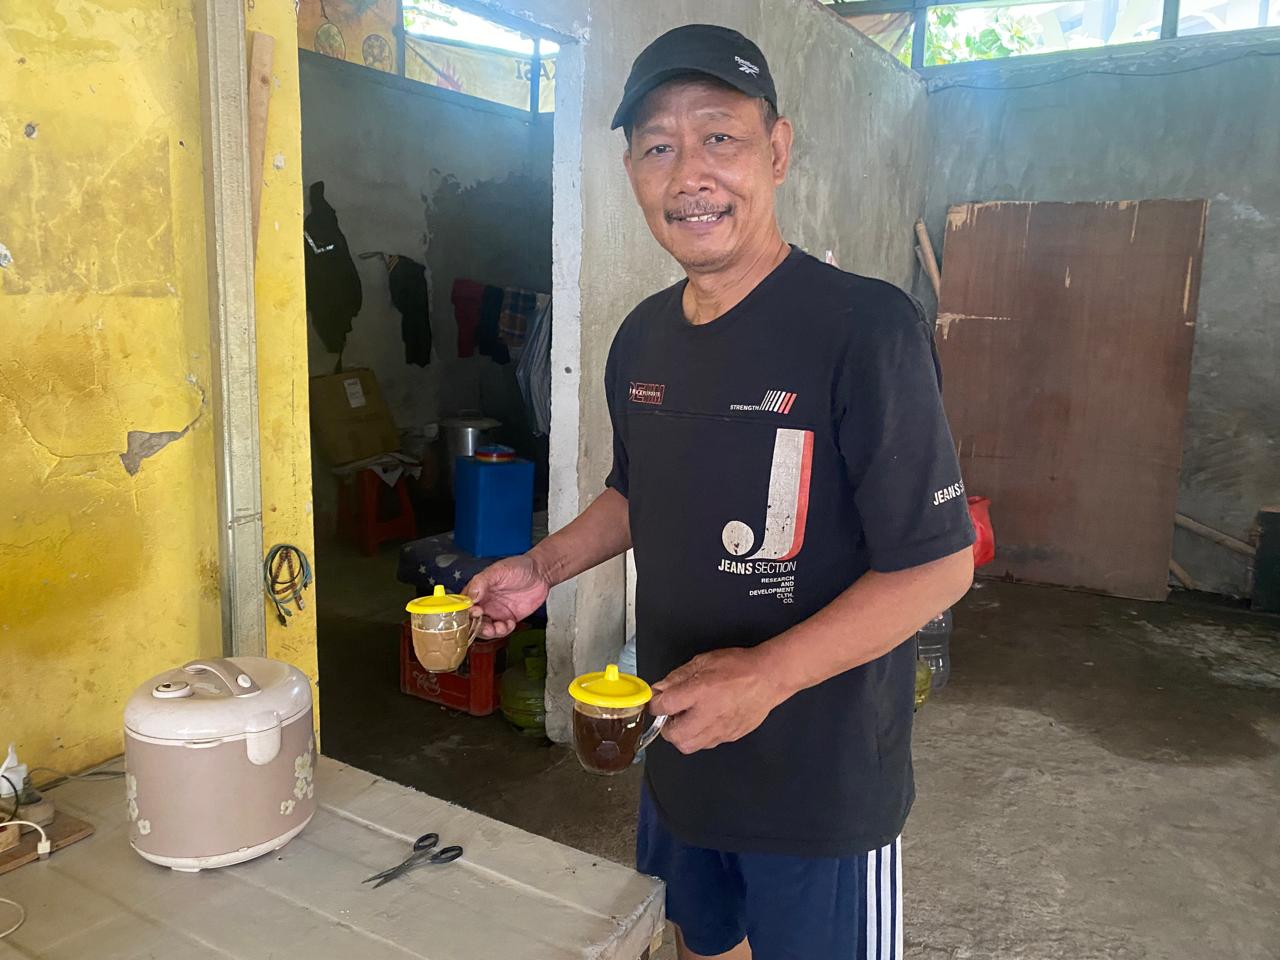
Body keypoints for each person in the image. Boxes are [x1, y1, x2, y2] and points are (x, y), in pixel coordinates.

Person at [466, 24, 975, 960]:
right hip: (682, 753)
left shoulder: (865, 328)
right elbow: (636, 491)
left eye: (719, 138)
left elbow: (937, 568)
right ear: (630, 171)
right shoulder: (642, 339)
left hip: (821, 784)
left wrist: (769, 675)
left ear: (776, 151)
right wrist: (543, 566)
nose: (688, 173)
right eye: (658, 146)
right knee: (698, 945)